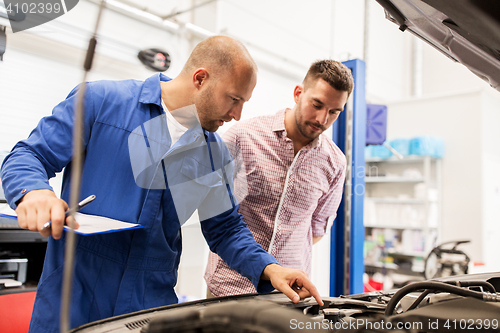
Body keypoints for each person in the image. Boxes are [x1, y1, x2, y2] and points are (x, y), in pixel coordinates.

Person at [0, 36, 322, 333]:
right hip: (74, 296)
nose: (237, 115)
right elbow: (28, 155)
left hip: (149, 305)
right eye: (234, 99)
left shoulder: (213, 154)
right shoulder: (100, 102)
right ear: (200, 79)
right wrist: (34, 191)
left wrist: (270, 269)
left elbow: (225, 229)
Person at [205, 60, 354, 297]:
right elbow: (215, 215)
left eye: (334, 112)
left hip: (289, 294)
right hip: (230, 287)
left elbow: (315, 230)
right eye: (317, 104)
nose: (322, 119)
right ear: (298, 93)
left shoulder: (335, 163)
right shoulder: (242, 137)